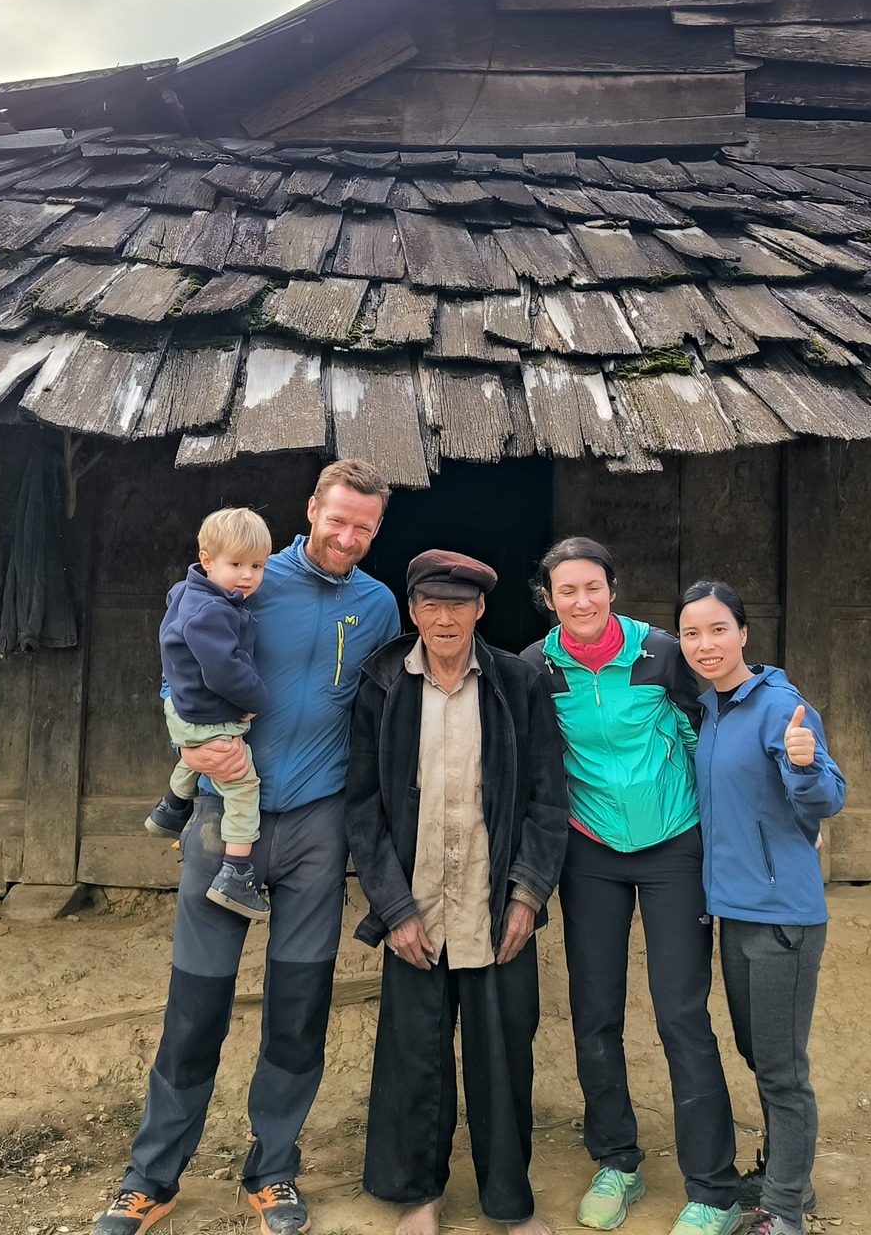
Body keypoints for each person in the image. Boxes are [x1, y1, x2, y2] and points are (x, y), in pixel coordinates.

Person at [93, 461, 402, 1235]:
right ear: (312, 511)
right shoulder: (249, 581)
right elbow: (177, 663)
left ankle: (273, 1170)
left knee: (299, 1008)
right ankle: (152, 1175)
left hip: (317, 828)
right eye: (338, 519)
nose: (349, 535)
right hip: (229, 818)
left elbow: (384, 709)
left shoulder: (378, 604)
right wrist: (187, 742)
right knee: (196, 1005)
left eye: (365, 525)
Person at [519, 538, 745, 1235]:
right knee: (595, 1013)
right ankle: (617, 1160)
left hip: (674, 844)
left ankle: (713, 1188)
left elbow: (717, 725)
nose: (581, 601)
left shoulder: (662, 652)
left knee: (682, 1014)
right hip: (591, 853)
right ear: (549, 599)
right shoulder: (537, 666)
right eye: (566, 591)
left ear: (613, 589)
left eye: (593, 587)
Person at [347, 550, 569, 1235]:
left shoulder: (517, 681)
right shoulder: (383, 683)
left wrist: (529, 894)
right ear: (413, 612)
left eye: (459, 605)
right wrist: (393, 909)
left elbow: (546, 799)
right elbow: (363, 807)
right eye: (431, 605)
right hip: (416, 908)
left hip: (493, 904)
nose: (444, 617)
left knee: (503, 1061)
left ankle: (509, 1202)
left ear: (479, 611)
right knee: (416, 1058)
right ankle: (420, 1196)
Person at [676, 580, 846, 1235]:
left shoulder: (780, 706)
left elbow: (826, 798)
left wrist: (806, 765)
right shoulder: (713, 710)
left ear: (743, 633)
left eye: (718, 629)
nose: (705, 644)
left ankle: (784, 1212)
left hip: (783, 916)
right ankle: (786, 1181)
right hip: (736, 912)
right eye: (692, 633)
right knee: (758, 1050)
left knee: (782, 1067)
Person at [146, 506, 274, 920]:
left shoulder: (188, 592)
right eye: (235, 564)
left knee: (196, 754)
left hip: (180, 705)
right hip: (206, 713)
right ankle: (236, 872)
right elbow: (223, 670)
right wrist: (256, 699)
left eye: (257, 565)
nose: (247, 576)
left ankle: (170, 806)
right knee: (241, 783)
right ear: (207, 561)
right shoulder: (213, 612)